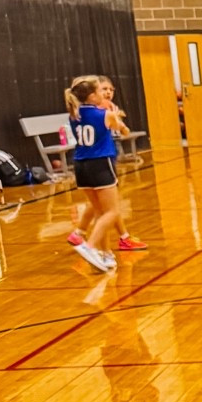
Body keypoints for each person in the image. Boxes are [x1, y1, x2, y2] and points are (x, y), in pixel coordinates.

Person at [64, 74, 125, 273]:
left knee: (100, 212)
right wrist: (116, 116)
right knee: (112, 212)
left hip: (81, 165)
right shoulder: (105, 114)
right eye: (100, 90)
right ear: (92, 96)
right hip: (100, 164)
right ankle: (88, 247)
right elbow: (122, 130)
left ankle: (105, 253)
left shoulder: (74, 114)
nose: (104, 93)